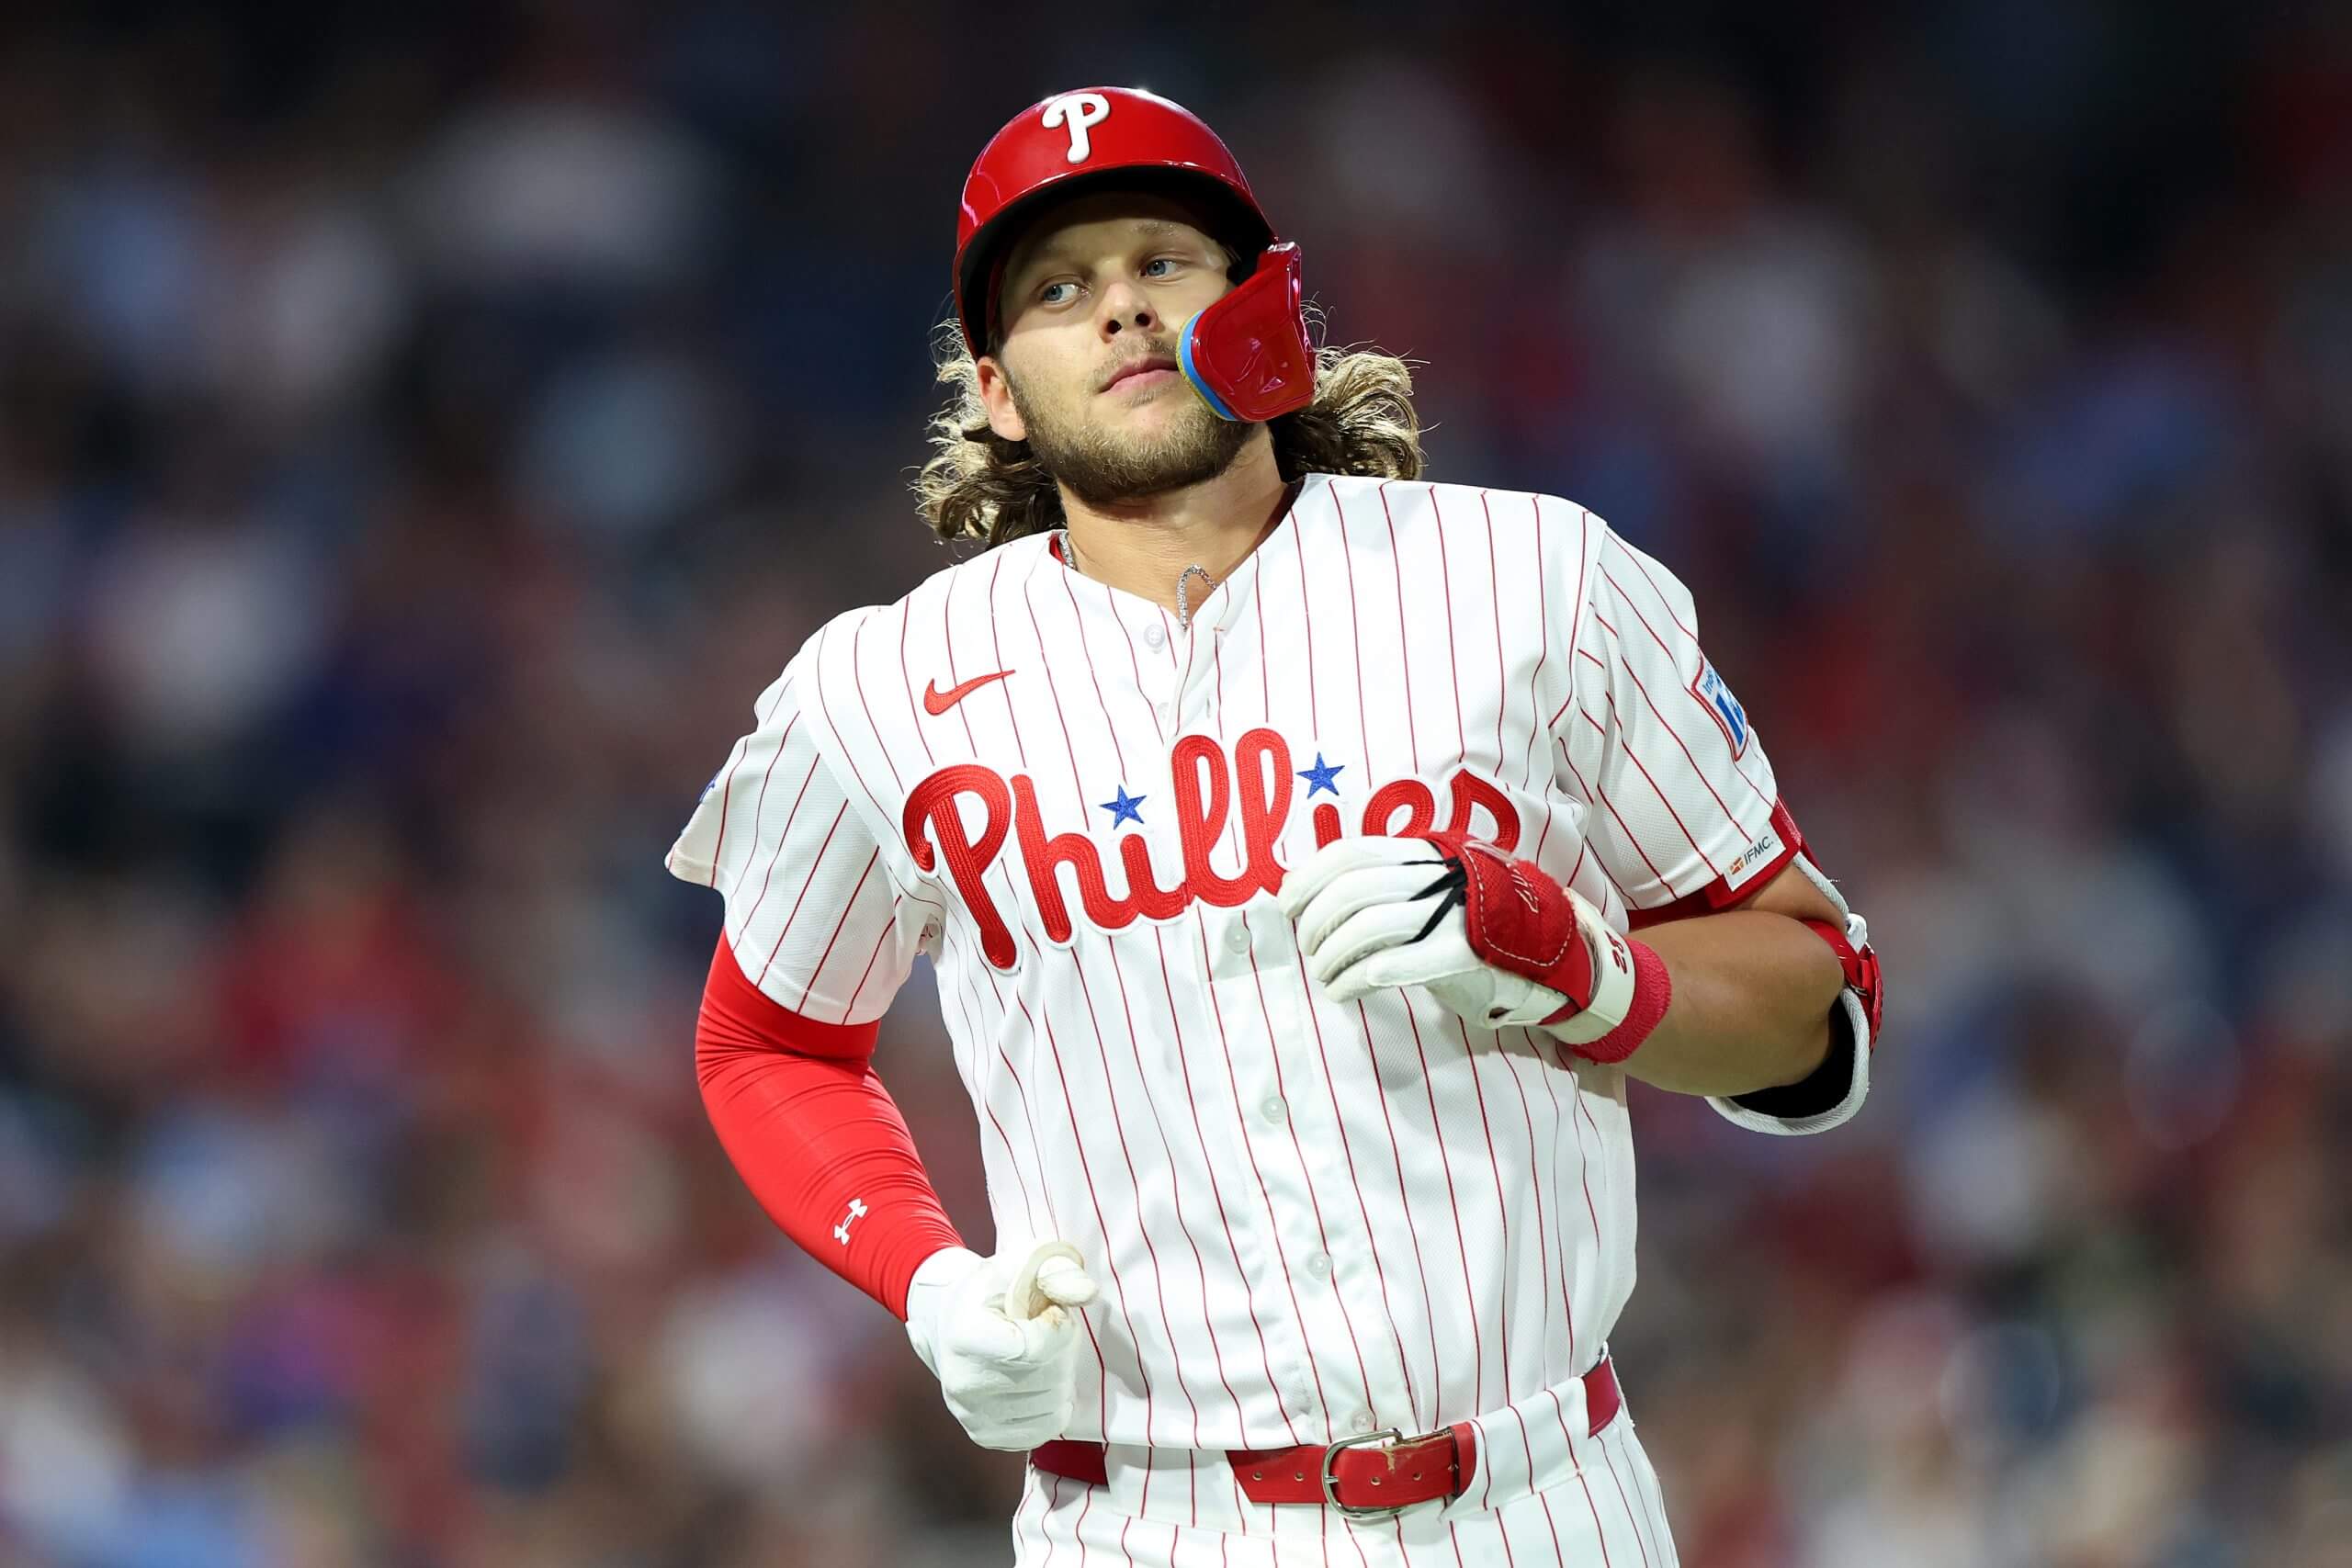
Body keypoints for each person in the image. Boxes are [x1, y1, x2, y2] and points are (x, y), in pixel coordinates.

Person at [669, 85, 1885, 1566]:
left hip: (1538, 1496)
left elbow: (1815, 1011)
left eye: (1160, 260)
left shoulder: (1536, 581)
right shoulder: (876, 687)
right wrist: (925, 1280)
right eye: (1057, 287)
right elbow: (769, 1041)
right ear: (994, 389)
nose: (1117, 307)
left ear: (1268, 303)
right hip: (1149, 1524)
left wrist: (1590, 971)